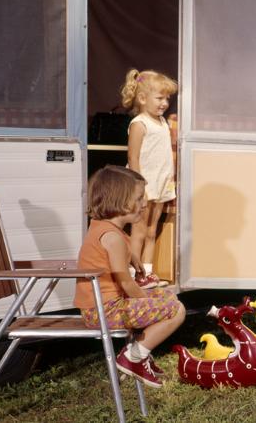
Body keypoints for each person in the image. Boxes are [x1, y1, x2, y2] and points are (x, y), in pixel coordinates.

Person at [75, 165, 186, 388]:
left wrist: (132, 258)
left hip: (101, 309)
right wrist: (145, 297)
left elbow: (110, 257)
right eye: (138, 198)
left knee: (166, 297)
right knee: (176, 310)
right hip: (106, 312)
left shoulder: (103, 228)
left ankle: (138, 353)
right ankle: (134, 357)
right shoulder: (112, 237)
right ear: (118, 201)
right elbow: (125, 282)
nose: (144, 204)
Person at [120, 68, 178, 288]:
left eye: (167, 99)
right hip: (144, 184)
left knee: (153, 230)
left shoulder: (163, 122)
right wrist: (139, 186)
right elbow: (133, 156)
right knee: (139, 229)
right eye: (160, 98)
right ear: (143, 98)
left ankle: (148, 272)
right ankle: (133, 274)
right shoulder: (139, 123)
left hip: (162, 183)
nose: (164, 103)